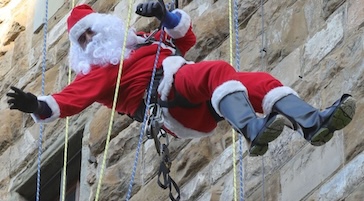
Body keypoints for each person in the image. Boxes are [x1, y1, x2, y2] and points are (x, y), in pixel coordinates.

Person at [6, 2, 356, 157]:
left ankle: (312, 123)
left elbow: (186, 39)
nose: (89, 42)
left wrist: (163, 14)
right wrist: (35, 104)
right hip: (167, 102)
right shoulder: (97, 73)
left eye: (89, 33)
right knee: (216, 71)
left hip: (193, 95)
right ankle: (252, 131)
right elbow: (68, 100)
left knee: (259, 81)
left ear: (105, 27)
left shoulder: (145, 43)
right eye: (81, 41)